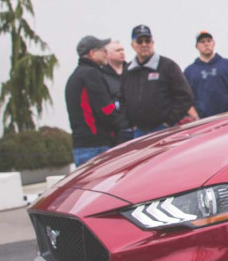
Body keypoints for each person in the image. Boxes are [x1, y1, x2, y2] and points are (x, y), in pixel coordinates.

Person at [121, 24, 196, 137]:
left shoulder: (168, 66)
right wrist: (130, 124)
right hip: (138, 132)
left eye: (147, 41)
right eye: (140, 41)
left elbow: (185, 96)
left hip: (164, 130)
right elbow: (121, 99)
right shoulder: (128, 70)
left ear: (152, 42)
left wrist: (169, 122)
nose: (144, 45)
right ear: (133, 45)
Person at [65, 36, 118, 166]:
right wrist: (119, 128)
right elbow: (105, 110)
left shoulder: (75, 76)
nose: (106, 53)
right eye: (103, 50)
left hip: (80, 146)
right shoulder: (91, 74)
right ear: (92, 53)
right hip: (96, 146)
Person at [184, 31, 228, 119]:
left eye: (209, 41)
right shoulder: (190, 72)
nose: (206, 44)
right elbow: (184, 98)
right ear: (196, 46)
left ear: (213, 43)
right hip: (204, 121)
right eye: (202, 42)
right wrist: (195, 116)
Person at [101, 39, 133, 144]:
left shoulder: (132, 71)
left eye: (122, 50)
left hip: (136, 126)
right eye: (117, 50)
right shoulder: (102, 76)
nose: (122, 53)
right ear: (107, 54)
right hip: (117, 129)